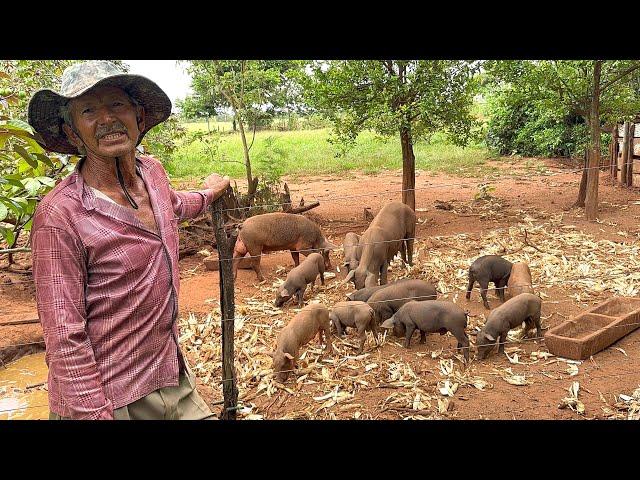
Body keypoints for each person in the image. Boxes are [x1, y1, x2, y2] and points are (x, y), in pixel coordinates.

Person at [27, 60, 230, 420]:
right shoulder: (60, 215)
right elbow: (64, 336)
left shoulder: (152, 173)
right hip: (109, 397)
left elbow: (175, 205)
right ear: (72, 133)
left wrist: (211, 191)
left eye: (116, 104)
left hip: (170, 375)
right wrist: (94, 413)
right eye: (88, 110)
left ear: (138, 116)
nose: (106, 118)